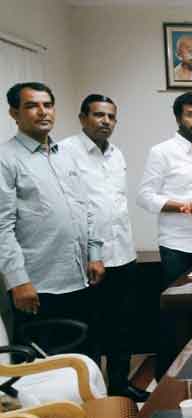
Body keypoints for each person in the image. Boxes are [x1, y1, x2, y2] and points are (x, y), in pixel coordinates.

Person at [0, 82, 105, 357]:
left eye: (47, 105)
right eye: (31, 106)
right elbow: (2, 227)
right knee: (44, 366)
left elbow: (85, 207)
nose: (42, 112)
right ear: (14, 113)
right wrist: (18, 281)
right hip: (37, 287)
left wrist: (94, 254)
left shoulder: (65, 155)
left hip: (80, 279)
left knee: (85, 358)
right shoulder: (5, 159)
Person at [59, 94, 148, 402]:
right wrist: (92, 254)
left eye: (111, 116)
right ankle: (93, 395)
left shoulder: (116, 154)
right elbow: (74, 208)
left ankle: (120, 387)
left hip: (123, 253)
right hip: (90, 260)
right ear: (82, 118)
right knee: (93, 329)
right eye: (98, 115)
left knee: (122, 326)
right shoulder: (65, 152)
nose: (105, 121)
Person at [137, 92, 192, 289]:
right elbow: (145, 197)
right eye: (190, 115)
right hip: (177, 247)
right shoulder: (162, 152)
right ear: (178, 119)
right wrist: (186, 207)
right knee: (180, 303)